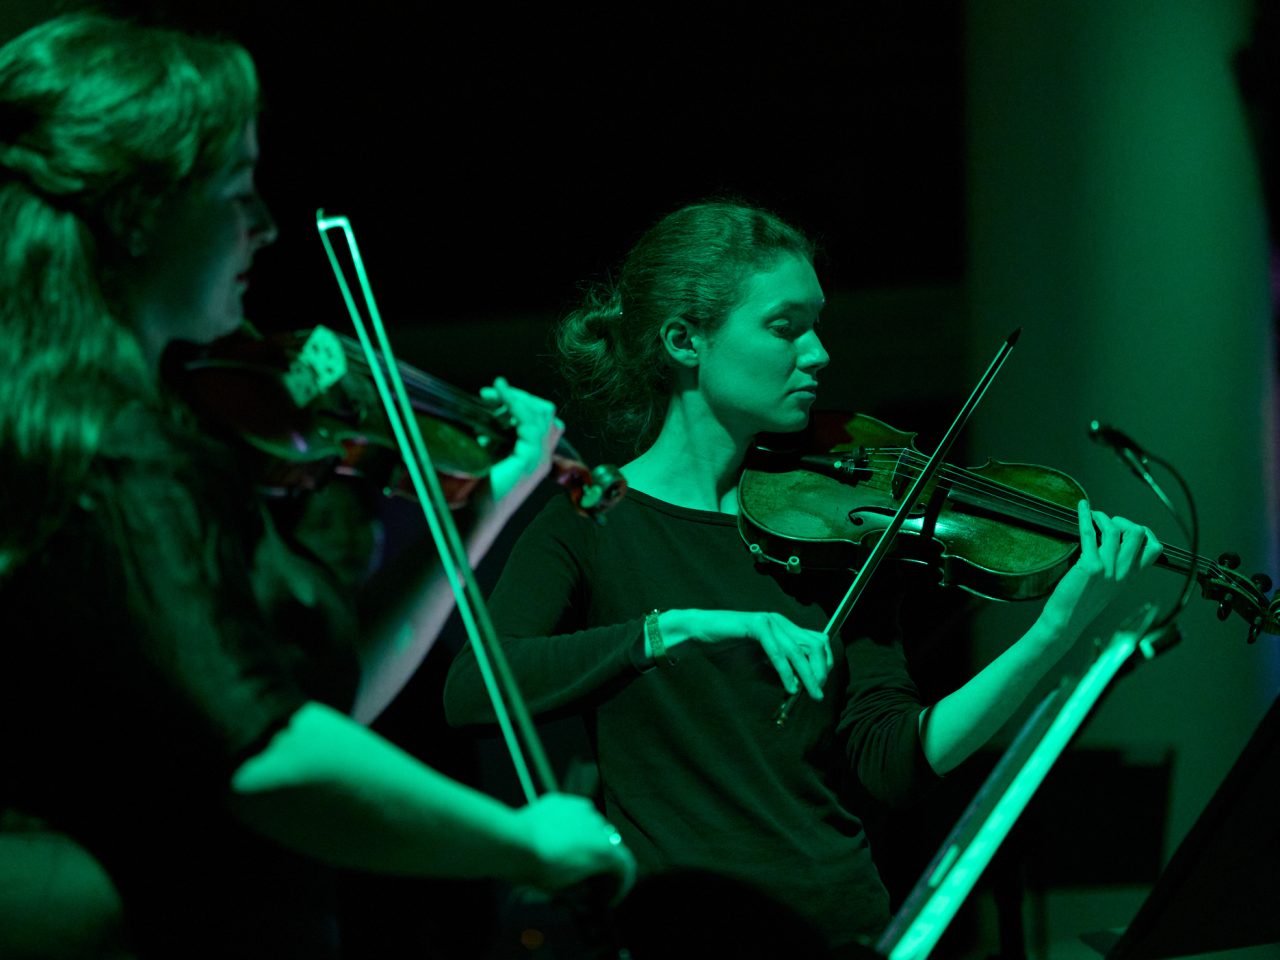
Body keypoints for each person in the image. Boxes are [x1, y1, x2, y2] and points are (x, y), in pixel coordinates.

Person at [0, 13, 632, 959]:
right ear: (137, 215)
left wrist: (490, 500)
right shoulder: (119, 452)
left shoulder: (138, 433)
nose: (262, 225)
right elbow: (268, 755)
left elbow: (308, 704)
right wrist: (520, 839)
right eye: (236, 189)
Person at [443, 200, 1162, 956]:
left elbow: (892, 759)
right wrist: (668, 630)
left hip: (847, 932)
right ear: (685, 340)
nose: (817, 353)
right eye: (785, 327)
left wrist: (1057, 628)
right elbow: (472, 687)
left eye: (817, 325)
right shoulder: (589, 519)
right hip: (685, 936)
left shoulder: (838, 531)